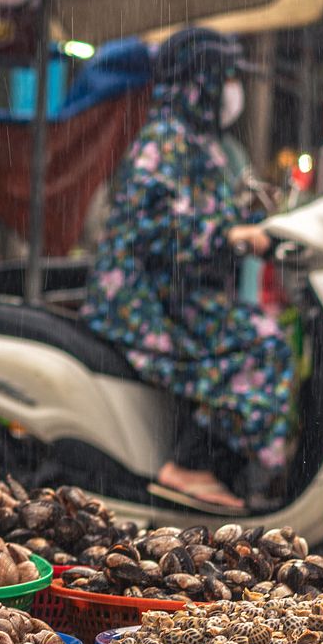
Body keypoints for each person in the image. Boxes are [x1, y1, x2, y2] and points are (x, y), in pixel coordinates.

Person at [83, 28, 291, 511]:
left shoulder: (199, 140)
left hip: (178, 293)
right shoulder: (164, 142)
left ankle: (238, 472)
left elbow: (207, 213)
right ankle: (191, 466)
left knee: (262, 334)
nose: (234, 88)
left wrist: (252, 221)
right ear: (202, 82)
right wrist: (227, 235)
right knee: (263, 346)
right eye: (227, 76)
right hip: (145, 301)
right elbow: (154, 226)